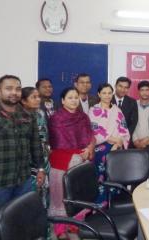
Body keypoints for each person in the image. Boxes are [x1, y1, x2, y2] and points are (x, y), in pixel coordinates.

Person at [0, 75, 45, 239]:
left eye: (18, 88)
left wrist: (41, 168)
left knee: (22, 222)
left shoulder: (28, 115)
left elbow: (35, 144)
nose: (14, 92)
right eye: (9, 88)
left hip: (24, 180)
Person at [48, 87, 95, 239]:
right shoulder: (56, 118)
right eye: (70, 97)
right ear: (62, 101)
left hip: (82, 160)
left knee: (77, 196)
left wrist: (89, 148)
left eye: (76, 97)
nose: (74, 100)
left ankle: (75, 226)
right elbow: (59, 143)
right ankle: (61, 230)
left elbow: (91, 136)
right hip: (61, 163)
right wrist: (79, 154)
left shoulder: (83, 117)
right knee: (61, 198)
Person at [89, 83, 130, 204]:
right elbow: (94, 130)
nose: (107, 96)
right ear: (99, 94)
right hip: (100, 148)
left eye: (109, 93)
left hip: (116, 148)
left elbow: (124, 130)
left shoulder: (117, 110)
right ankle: (100, 203)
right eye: (104, 93)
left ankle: (114, 201)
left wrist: (117, 144)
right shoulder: (93, 110)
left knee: (115, 175)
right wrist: (109, 138)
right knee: (101, 175)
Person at [20, 86, 52, 239]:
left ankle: (44, 232)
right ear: (23, 101)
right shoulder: (20, 116)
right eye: (34, 97)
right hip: (28, 162)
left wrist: (47, 147)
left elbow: (45, 135)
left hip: (44, 160)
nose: (38, 99)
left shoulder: (40, 113)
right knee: (32, 198)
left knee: (45, 196)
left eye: (38, 96)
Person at [133, 81, 149, 160]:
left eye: (147, 90)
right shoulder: (133, 105)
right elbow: (131, 124)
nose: (145, 93)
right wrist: (135, 140)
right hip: (135, 143)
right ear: (138, 91)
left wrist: (147, 139)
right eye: (142, 90)